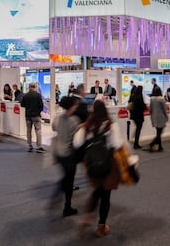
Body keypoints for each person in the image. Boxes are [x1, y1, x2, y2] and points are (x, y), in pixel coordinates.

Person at [73, 100, 126, 238]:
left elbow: (77, 143)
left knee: (97, 190)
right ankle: (101, 227)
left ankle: (88, 216)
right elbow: (117, 144)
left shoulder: (88, 125)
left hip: (91, 164)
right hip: (107, 163)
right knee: (105, 195)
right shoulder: (111, 125)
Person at [51, 96, 81, 217]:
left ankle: (59, 193)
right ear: (71, 106)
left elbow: (54, 127)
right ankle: (67, 206)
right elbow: (76, 134)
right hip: (68, 154)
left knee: (65, 176)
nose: (77, 106)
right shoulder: (74, 120)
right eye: (75, 105)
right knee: (69, 180)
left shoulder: (57, 117)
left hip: (58, 152)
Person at [21, 82, 44, 153]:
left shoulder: (25, 95)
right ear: (35, 87)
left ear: (29, 87)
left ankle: (29, 146)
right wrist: (39, 111)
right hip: (36, 115)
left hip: (28, 115)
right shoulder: (38, 95)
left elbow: (22, 105)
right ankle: (39, 146)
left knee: (28, 130)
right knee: (38, 131)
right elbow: (41, 106)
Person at [149, 86, 168, 152]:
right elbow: (164, 109)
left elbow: (150, 109)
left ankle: (160, 146)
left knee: (158, 132)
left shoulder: (152, 99)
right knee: (160, 132)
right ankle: (152, 143)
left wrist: (151, 116)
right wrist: (166, 116)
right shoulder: (161, 99)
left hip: (154, 117)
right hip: (161, 117)